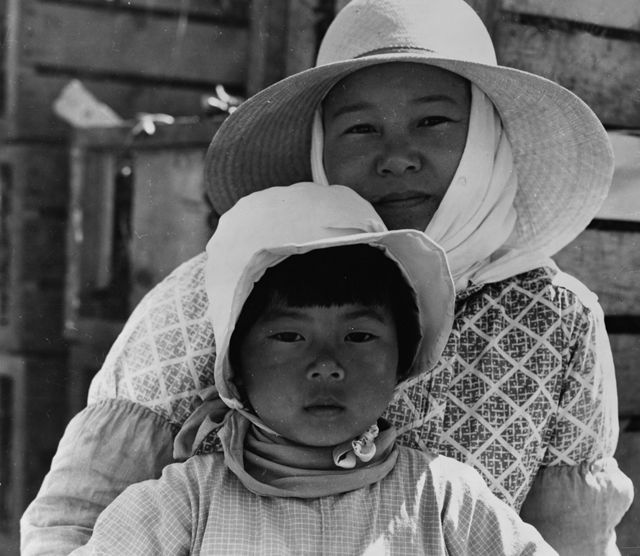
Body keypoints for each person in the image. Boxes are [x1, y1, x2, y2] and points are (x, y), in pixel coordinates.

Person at [22, 0, 633, 554]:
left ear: (487, 137)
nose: (397, 158)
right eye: (360, 128)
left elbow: (573, 539)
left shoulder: (554, 317)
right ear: (319, 146)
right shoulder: (218, 293)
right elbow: (74, 521)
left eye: (433, 123)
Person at [70, 182, 556, 555]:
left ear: (402, 360)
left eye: (360, 336)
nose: (326, 365)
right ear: (235, 366)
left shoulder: (443, 497)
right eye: (288, 336)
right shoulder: (186, 502)